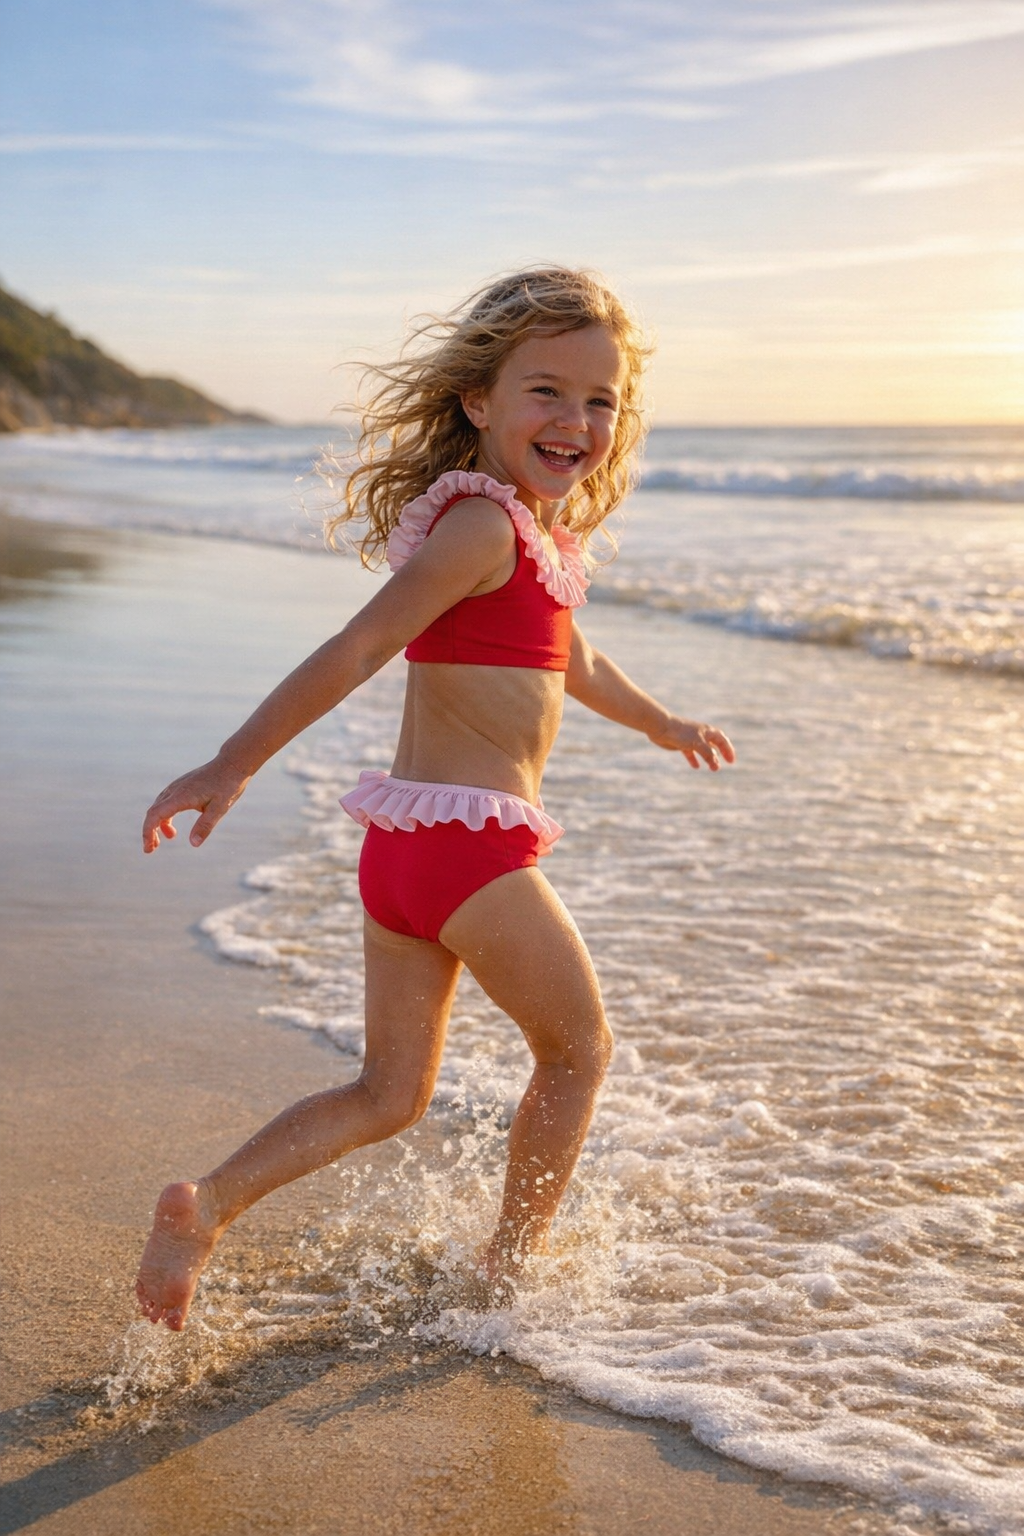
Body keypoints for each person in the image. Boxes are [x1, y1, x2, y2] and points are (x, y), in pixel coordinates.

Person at [135, 267, 735, 1331]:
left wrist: (661, 723)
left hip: (408, 855)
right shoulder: (483, 528)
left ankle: (206, 1206)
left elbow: (574, 660)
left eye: (600, 400)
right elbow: (361, 643)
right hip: (469, 851)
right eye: (545, 391)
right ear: (478, 402)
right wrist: (232, 761)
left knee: (388, 1095)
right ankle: (507, 1275)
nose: (576, 419)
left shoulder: (531, 542)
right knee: (580, 1052)